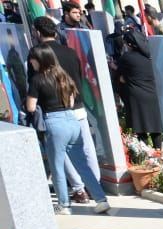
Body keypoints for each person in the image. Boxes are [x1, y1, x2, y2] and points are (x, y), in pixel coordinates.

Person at [25, 44, 109, 214]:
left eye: (32, 59)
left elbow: (31, 107)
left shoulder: (37, 79)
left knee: (57, 167)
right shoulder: (64, 76)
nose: (31, 62)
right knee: (82, 164)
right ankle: (101, 199)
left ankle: (64, 205)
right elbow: (71, 102)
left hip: (54, 123)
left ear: (39, 59)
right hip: (72, 120)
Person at [29, 15, 99, 206]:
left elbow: (33, 83)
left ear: (37, 32)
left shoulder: (37, 53)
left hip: (54, 110)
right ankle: (95, 187)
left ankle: (79, 190)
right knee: (86, 148)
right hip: (76, 104)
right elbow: (79, 77)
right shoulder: (70, 52)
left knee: (63, 152)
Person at [116, 28, 163, 148]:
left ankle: (146, 154)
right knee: (155, 127)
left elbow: (120, 77)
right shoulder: (152, 55)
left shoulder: (126, 58)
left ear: (130, 44)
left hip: (136, 96)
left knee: (140, 128)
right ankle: (159, 152)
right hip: (153, 93)